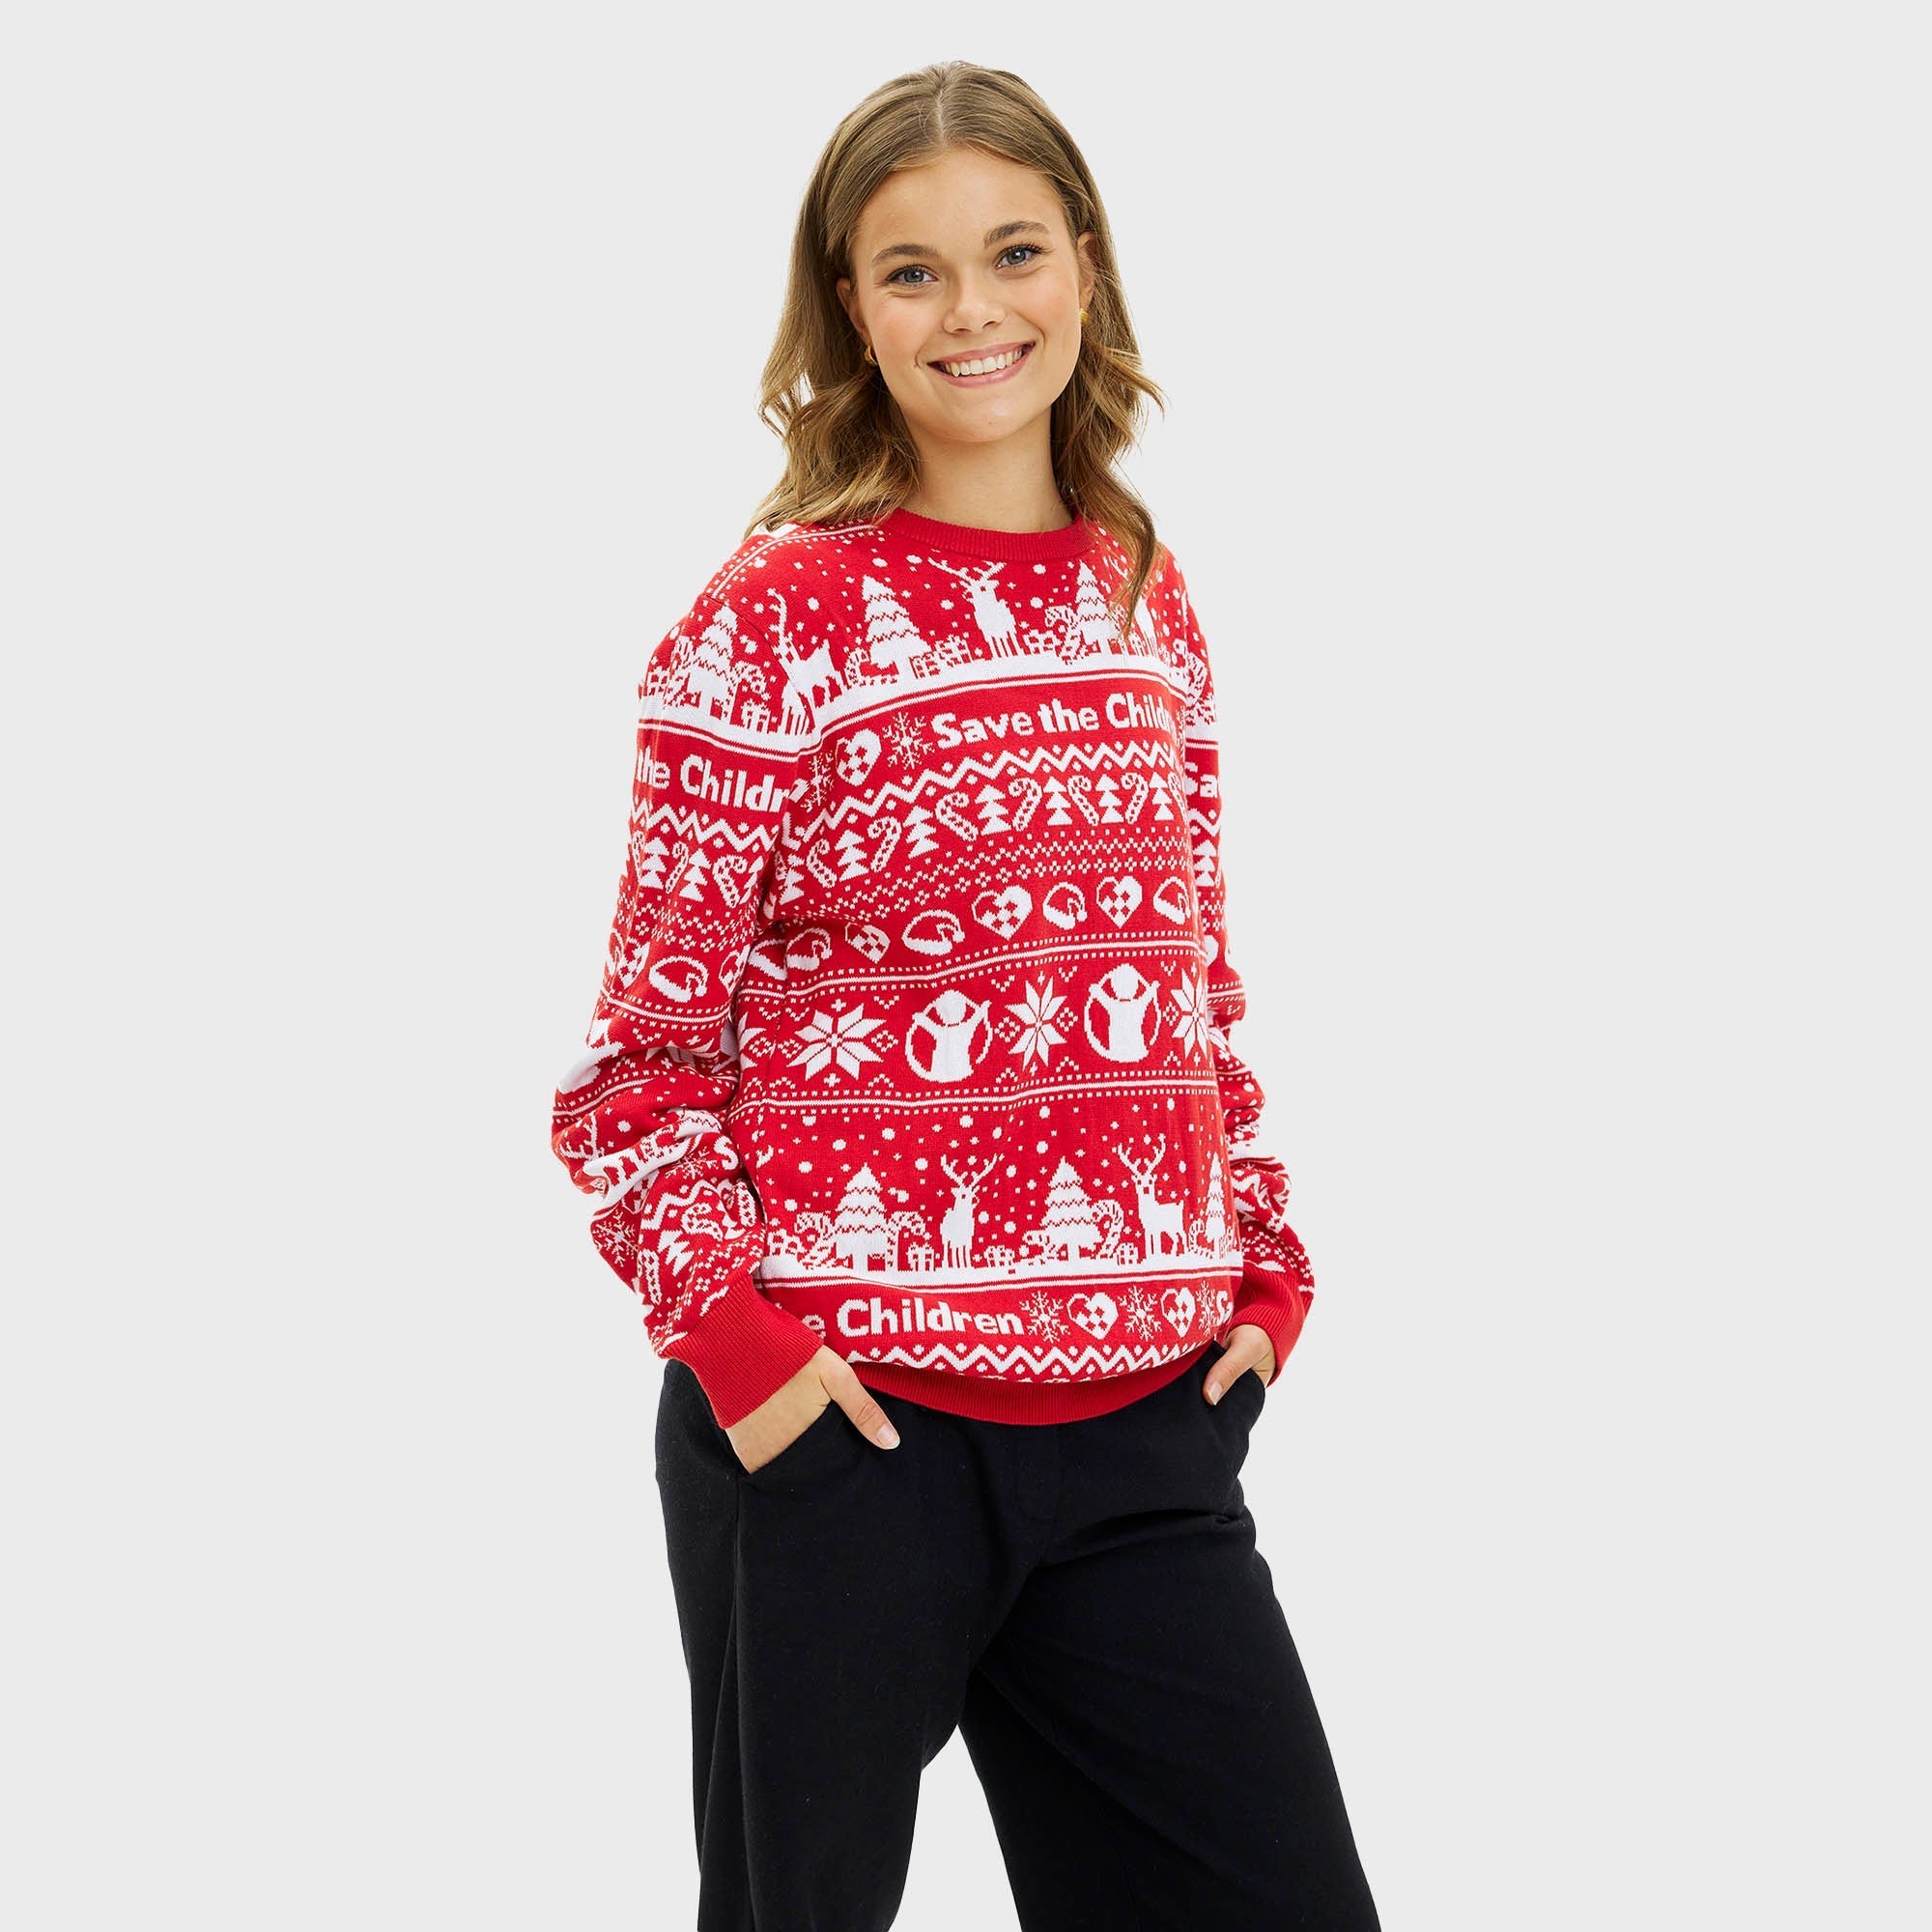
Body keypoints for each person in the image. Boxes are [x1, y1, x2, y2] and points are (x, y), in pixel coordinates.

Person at [550, 60, 1380, 1932]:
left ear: (1084, 266)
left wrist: (1262, 1268)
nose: (971, 309)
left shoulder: (1142, 598)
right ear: (850, 308)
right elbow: (637, 1071)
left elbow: (1188, 987)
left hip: (1146, 1422)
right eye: (910, 270)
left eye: (1013, 252)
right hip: (849, 1431)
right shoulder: (772, 620)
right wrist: (747, 1358)